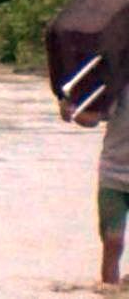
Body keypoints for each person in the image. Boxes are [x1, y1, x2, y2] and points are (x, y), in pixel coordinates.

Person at [60, 88, 129, 286]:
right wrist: (72, 112)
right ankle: (109, 290)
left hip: (112, 172)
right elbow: (94, 118)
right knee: (112, 242)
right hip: (113, 174)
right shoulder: (119, 81)